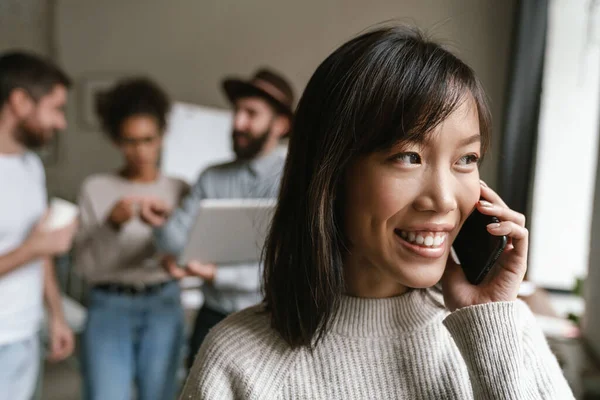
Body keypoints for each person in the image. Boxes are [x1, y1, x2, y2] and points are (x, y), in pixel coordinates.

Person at [180, 25, 575, 399]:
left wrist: (487, 327)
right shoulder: (238, 361)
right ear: (331, 174)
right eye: (408, 156)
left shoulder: (504, 328)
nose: (443, 200)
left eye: (466, 158)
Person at [148, 68, 294, 367]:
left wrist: (215, 273)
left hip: (271, 318)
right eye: (237, 111)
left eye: (251, 113)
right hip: (211, 317)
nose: (238, 123)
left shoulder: (296, 183)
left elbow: (288, 266)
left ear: (280, 124)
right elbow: (176, 243)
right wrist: (163, 224)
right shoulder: (210, 177)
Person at [73, 78, 188, 400]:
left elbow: (187, 255)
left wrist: (166, 228)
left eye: (148, 140)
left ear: (162, 137)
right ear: (116, 141)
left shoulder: (180, 189)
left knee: (162, 395)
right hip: (108, 304)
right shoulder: (95, 188)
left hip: (163, 303)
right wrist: (110, 225)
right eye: (129, 141)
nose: (140, 151)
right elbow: (86, 267)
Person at [0, 51, 77, 400]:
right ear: (19, 101)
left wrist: (55, 314)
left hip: (26, 335)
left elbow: (41, 249)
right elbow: (38, 247)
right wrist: (34, 247)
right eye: (55, 108)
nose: (61, 123)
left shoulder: (32, 166)